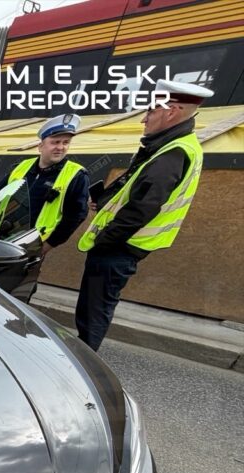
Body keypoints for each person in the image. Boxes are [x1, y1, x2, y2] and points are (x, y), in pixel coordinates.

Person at [74, 80, 212, 350]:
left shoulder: (173, 153)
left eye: (150, 111)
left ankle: (83, 363)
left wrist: (105, 239)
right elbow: (138, 187)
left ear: (171, 111)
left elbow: (142, 207)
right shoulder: (173, 146)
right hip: (123, 246)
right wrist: (105, 200)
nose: (144, 119)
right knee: (93, 310)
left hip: (119, 247)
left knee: (93, 315)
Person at [0, 113, 89, 256]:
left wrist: (47, 246)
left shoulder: (76, 175)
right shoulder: (22, 166)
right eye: (55, 142)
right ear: (40, 146)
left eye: (65, 142)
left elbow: (76, 216)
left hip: (32, 247)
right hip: (0, 239)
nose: (60, 147)